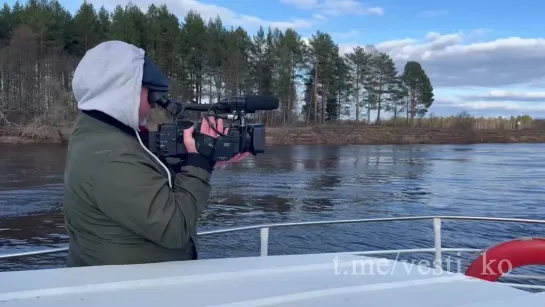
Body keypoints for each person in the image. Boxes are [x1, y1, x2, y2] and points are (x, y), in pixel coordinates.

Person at [63, 40, 249, 267]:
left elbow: (143, 180)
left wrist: (205, 162)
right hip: (130, 290)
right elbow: (174, 227)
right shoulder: (113, 156)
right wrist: (199, 164)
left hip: (127, 277)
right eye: (148, 91)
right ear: (123, 90)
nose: (153, 103)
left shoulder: (98, 134)